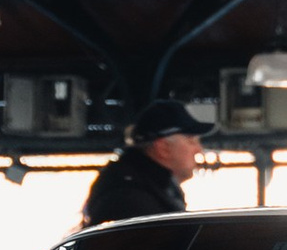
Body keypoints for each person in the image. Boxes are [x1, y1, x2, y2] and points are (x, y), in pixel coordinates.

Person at [84, 97, 205, 227]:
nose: (199, 150)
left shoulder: (147, 186)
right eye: (191, 141)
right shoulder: (128, 198)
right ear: (163, 148)